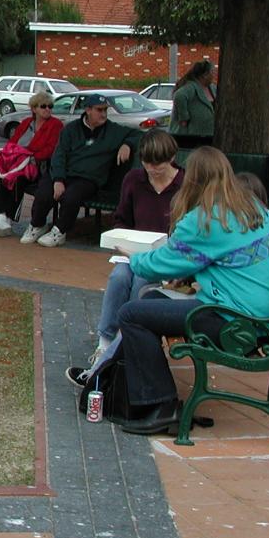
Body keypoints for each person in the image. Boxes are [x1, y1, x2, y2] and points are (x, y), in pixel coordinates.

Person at [70, 147, 269, 435]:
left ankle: (160, 405)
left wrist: (133, 257)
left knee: (132, 313)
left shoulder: (207, 219)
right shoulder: (253, 208)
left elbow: (162, 265)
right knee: (151, 299)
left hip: (231, 320)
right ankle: (104, 378)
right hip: (257, 316)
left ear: (194, 179)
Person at [88, 130, 185, 365]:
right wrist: (121, 239)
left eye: (159, 164)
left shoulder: (184, 184)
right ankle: (105, 341)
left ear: (172, 156)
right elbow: (122, 217)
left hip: (163, 255)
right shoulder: (134, 179)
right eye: (147, 163)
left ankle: (126, 337)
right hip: (132, 250)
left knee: (142, 282)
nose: (153, 169)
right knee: (119, 278)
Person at [22, 93, 139, 247]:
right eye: (99, 110)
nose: (103, 114)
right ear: (88, 110)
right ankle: (37, 225)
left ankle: (60, 231)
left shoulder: (113, 130)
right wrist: (58, 179)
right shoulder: (71, 129)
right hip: (63, 173)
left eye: (105, 110)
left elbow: (140, 134)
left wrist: (128, 144)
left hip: (88, 178)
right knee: (44, 193)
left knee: (71, 197)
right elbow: (59, 155)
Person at [0, 92, 64, 237]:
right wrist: (13, 155)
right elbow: (13, 142)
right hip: (20, 163)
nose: (48, 109)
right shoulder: (26, 123)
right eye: (43, 106)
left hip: (39, 167)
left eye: (50, 106)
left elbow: (51, 148)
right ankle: (1, 217)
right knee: (3, 181)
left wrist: (30, 156)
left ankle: (8, 218)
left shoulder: (55, 125)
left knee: (17, 181)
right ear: (34, 109)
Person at [169, 59, 216, 147]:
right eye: (212, 72)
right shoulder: (191, 87)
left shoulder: (212, 88)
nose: (214, 75)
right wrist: (184, 117)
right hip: (189, 136)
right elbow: (179, 96)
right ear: (204, 75)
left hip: (207, 135)